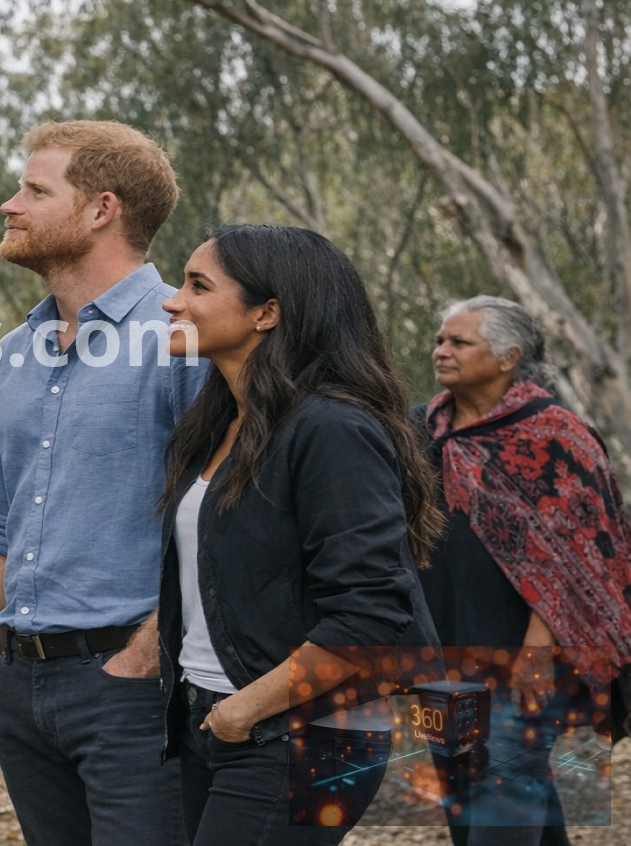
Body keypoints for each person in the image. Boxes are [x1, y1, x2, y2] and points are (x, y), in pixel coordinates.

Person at [155, 224, 444, 845]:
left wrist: (244, 709)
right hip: (214, 718)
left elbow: (368, 615)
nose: (172, 300)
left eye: (197, 285)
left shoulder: (333, 428)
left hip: (298, 729)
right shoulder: (220, 423)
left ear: (267, 312)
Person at [0, 120, 207, 846]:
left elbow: (221, 514)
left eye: (35, 190)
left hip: (134, 687)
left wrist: (146, 650)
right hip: (18, 685)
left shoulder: (181, 337)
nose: (11, 204)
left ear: (103, 209)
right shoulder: (13, 353)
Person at [415, 295, 631, 844]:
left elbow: (585, 556)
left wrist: (538, 652)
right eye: (441, 339)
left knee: (505, 791)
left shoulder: (555, 435)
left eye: (460, 342)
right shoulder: (421, 430)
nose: (442, 351)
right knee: (465, 797)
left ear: (509, 356)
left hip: (521, 658)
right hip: (441, 649)